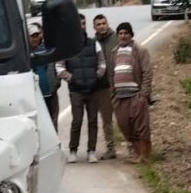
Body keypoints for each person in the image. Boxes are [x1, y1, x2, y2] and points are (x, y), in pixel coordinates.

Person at [56, 15, 106, 164]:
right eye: (79, 24)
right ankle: (73, 150)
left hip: (93, 89)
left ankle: (91, 151)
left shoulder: (94, 44)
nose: (82, 26)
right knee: (77, 121)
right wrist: (71, 78)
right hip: (76, 90)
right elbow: (59, 67)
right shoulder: (66, 46)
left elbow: (102, 63)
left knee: (92, 121)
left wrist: (96, 76)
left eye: (84, 23)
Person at [111, 22, 154, 163]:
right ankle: (136, 155)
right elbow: (111, 75)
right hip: (119, 97)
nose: (123, 36)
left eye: (125, 33)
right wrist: (113, 95)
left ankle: (144, 156)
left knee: (141, 127)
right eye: (120, 34)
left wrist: (143, 95)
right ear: (117, 36)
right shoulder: (114, 52)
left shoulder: (140, 51)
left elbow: (147, 73)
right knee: (125, 126)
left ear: (131, 35)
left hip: (136, 96)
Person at [93, 13, 120, 160]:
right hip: (102, 88)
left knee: (123, 118)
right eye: (98, 24)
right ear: (95, 27)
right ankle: (111, 148)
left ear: (107, 23)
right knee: (106, 121)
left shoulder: (117, 38)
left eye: (104, 23)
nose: (102, 26)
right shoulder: (93, 43)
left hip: (118, 86)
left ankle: (131, 147)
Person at [29, 23, 59, 130]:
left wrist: (55, 83)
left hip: (50, 94)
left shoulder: (46, 50)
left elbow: (55, 67)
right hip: (35, 97)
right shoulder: (25, 54)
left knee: (53, 121)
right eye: (33, 36)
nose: (35, 38)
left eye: (37, 35)